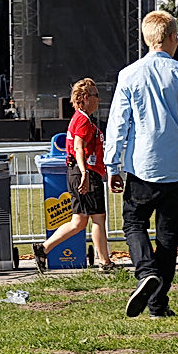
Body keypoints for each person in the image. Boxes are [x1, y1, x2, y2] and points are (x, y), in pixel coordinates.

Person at [105, 11, 178, 318]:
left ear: (147, 38)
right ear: (172, 38)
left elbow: (118, 124)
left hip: (141, 166)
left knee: (134, 224)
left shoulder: (129, 75)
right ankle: (159, 304)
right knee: (168, 237)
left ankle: (145, 270)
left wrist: (112, 165)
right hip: (175, 167)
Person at [32, 78, 115, 273]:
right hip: (85, 172)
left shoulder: (81, 118)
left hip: (79, 171)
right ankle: (105, 263)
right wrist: (85, 173)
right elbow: (78, 147)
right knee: (98, 218)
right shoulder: (83, 120)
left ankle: (44, 249)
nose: (98, 99)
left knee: (78, 222)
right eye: (95, 95)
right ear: (85, 98)